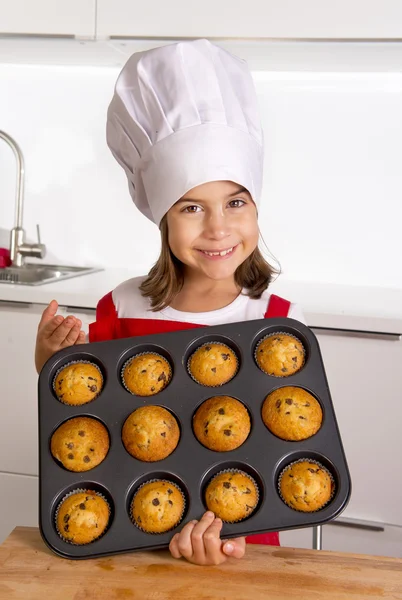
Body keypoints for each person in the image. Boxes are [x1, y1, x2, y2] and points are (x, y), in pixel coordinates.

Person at [35, 39, 305, 566]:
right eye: (191, 208)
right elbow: (82, 414)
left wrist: (231, 538)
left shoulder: (273, 324)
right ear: (162, 217)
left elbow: (282, 443)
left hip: (242, 545)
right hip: (132, 543)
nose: (218, 227)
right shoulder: (120, 306)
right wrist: (50, 362)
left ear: (255, 208)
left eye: (235, 202)